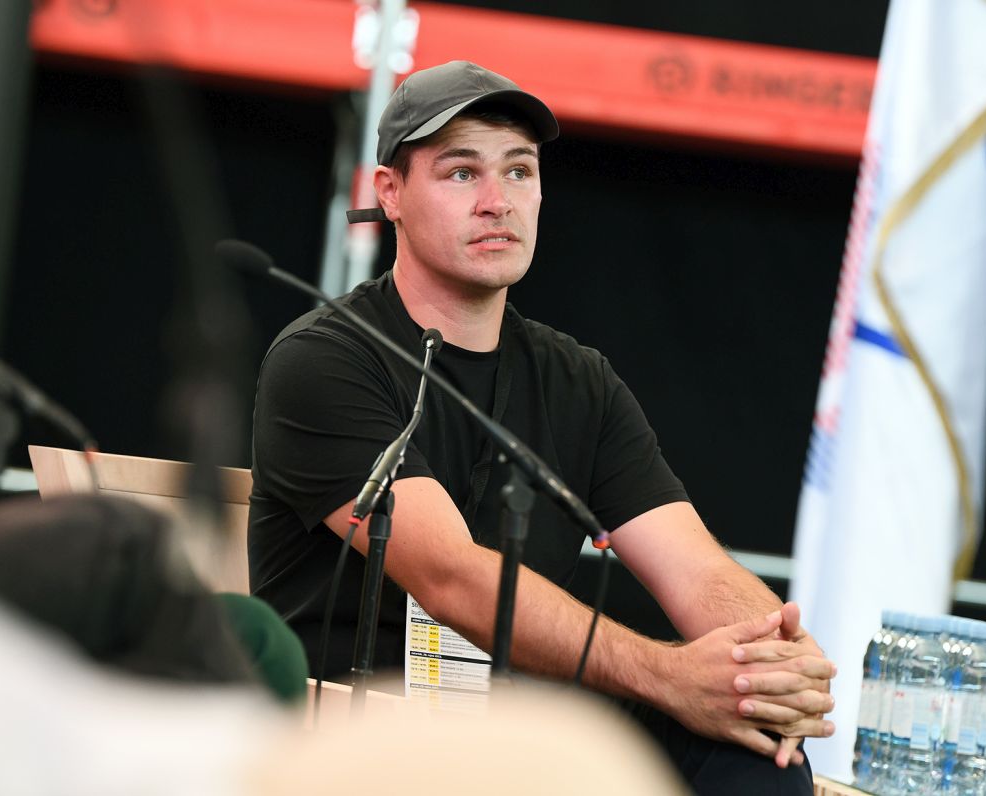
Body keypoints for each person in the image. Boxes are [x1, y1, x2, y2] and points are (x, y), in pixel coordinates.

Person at [248, 60, 835, 792]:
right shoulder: (324, 359)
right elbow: (451, 578)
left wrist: (772, 664)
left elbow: (696, 568)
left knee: (755, 748)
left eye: (519, 171)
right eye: (463, 173)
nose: (498, 201)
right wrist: (668, 673)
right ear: (389, 193)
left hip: (523, 733)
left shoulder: (578, 379)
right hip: (356, 728)